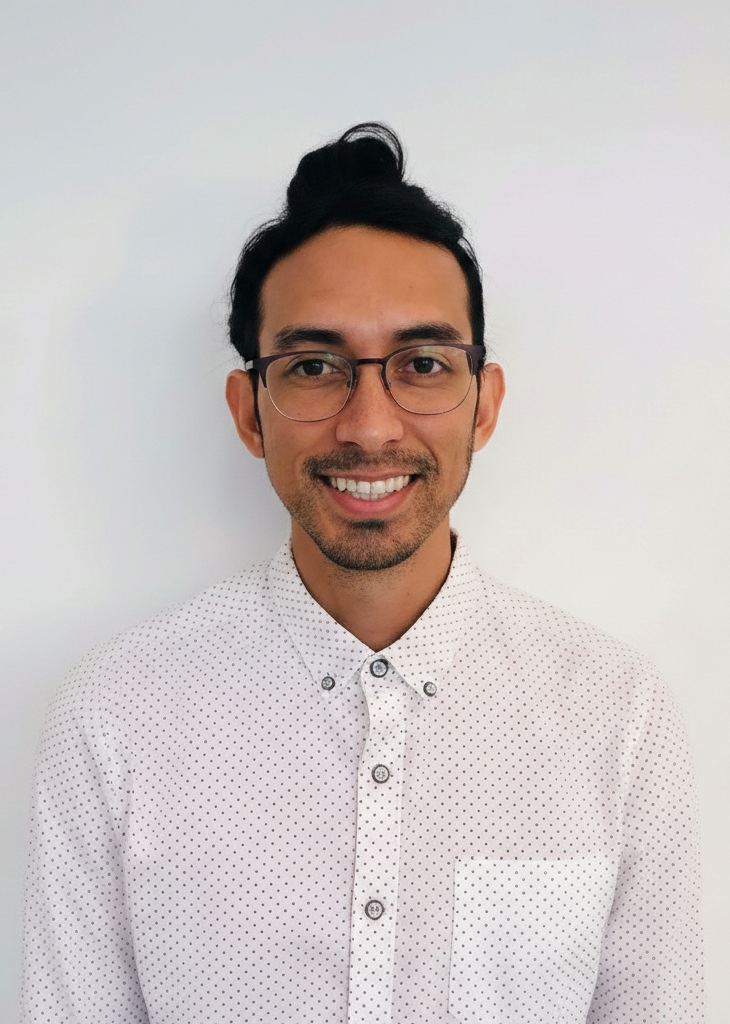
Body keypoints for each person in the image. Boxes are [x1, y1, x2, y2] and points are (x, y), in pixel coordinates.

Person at [21, 123, 704, 1024]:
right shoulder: (116, 716)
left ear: (484, 405)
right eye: (314, 366)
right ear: (250, 412)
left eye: (422, 364)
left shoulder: (618, 717)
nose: (370, 426)